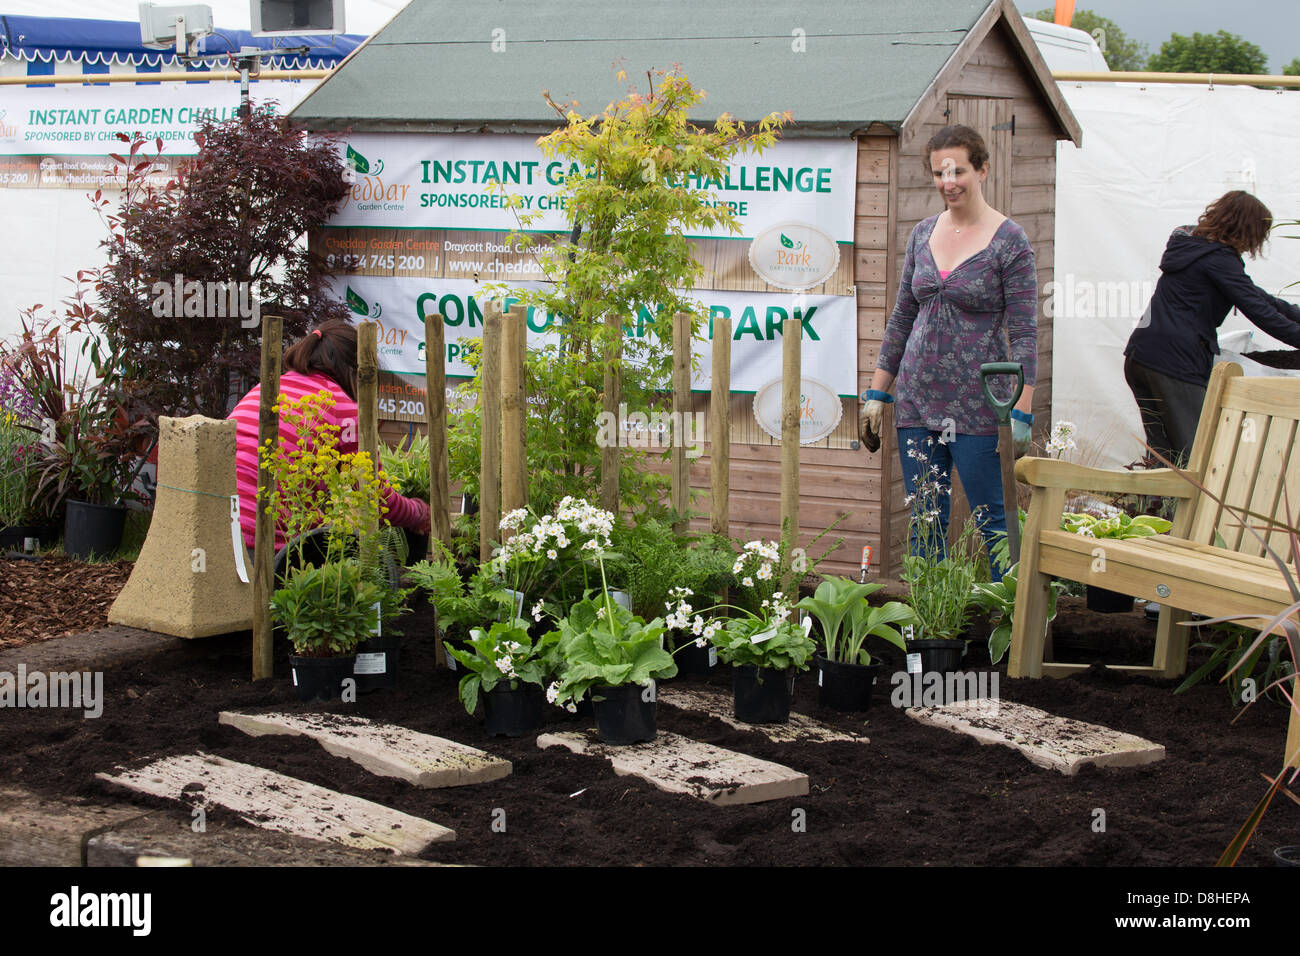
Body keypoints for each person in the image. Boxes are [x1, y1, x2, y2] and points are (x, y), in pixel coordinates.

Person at [862, 125, 1037, 578]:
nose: (949, 181)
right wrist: (878, 393)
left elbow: (1024, 331)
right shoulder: (923, 233)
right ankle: (932, 630)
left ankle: (1012, 621)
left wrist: (1022, 410)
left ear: (981, 169)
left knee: (994, 521)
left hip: (982, 403)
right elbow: (902, 317)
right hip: (918, 401)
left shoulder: (1009, 241)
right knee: (925, 521)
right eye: (940, 173)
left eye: (959, 170)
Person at [1125, 190, 1300, 466]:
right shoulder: (1219, 260)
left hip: (1140, 358)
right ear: (1246, 228)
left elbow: (1257, 297)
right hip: (1175, 366)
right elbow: (1260, 312)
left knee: (1162, 457)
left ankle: (1156, 509)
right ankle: (1191, 510)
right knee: (1198, 456)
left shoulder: (1191, 247)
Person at [228, 319, 431, 551]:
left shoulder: (266, 389)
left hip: (218, 526)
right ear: (355, 371)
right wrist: (420, 512)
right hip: (265, 545)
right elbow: (375, 497)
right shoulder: (339, 406)